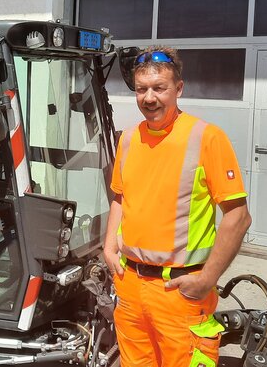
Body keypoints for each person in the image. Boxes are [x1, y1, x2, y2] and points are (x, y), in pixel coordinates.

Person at [104, 47, 252, 367]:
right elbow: (119, 196)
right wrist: (108, 247)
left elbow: (238, 217)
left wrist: (207, 279)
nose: (149, 98)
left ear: (179, 89)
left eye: (160, 88)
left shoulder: (206, 138)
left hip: (179, 291)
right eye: (142, 89)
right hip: (130, 287)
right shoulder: (128, 139)